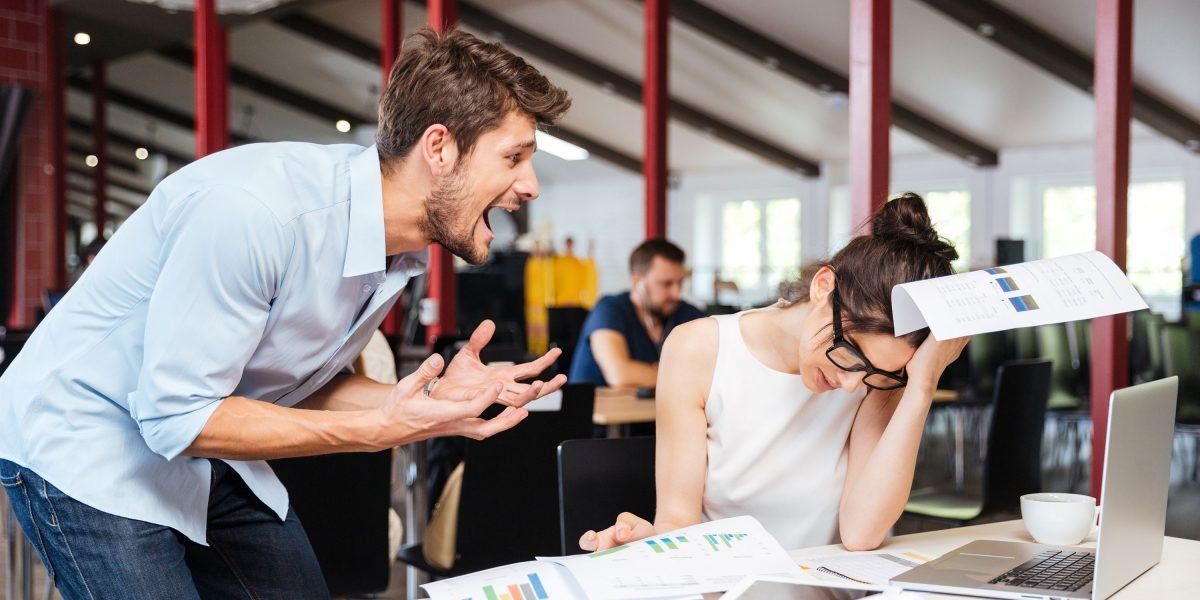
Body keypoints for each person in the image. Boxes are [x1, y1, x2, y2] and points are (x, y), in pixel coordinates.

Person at [0, 27, 571, 599]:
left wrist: (430, 398)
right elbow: (175, 415)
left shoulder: (396, 248)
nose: (531, 185)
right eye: (514, 157)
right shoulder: (258, 214)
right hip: (89, 433)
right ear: (439, 147)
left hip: (200, 436)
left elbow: (301, 385)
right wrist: (373, 431)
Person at [579, 194, 969, 553]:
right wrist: (646, 545)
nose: (852, 384)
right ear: (823, 286)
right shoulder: (698, 349)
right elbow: (678, 522)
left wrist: (920, 385)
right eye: (850, 354)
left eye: (874, 373)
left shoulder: (879, 379)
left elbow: (861, 533)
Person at [569, 238, 706, 388]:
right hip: (600, 411)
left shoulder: (686, 313)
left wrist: (652, 374)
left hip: (652, 411)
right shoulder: (608, 310)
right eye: (666, 284)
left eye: (680, 283)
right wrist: (684, 374)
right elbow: (620, 375)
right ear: (637, 281)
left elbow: (716, 370)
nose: (676, 294)